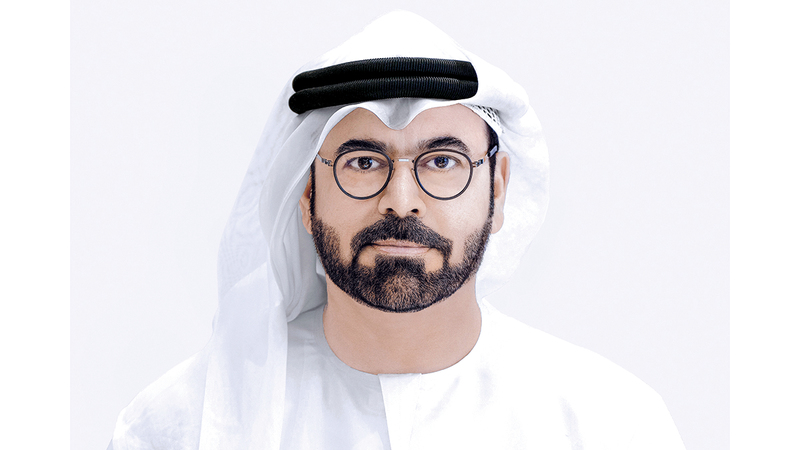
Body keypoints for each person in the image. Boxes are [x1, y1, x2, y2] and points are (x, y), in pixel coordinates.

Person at [109, 11, 686, 450]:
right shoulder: (178, 426)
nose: (401, 201)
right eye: (363, 162)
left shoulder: (609, 424)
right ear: (307, 194)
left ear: (498, 188)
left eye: (442, 162)